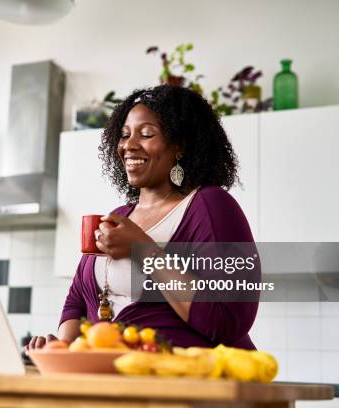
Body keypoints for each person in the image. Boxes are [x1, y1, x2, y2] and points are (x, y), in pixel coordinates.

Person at [26, 85, 259, 352]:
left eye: (146, 134)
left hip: (190, 380)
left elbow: (228, 320)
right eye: (124, 135)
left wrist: (144, 250)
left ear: (179, 147)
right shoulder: (118, 217)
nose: (129, 145)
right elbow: (78, 299)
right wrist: (62, 345)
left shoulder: (210, 205)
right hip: (116, 378)